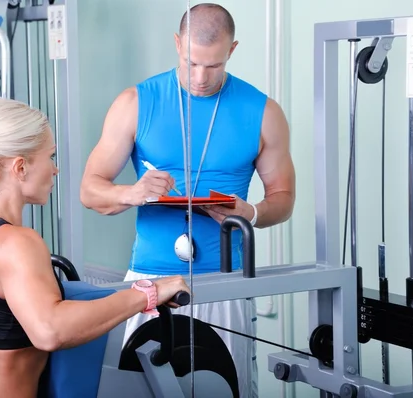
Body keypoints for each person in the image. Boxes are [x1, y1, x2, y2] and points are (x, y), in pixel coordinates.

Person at [0, 96, 190, 398]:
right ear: (20, 168)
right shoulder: (17, 243)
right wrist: (147, 293)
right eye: (50, 157)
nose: (55, 170)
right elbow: (50, 331)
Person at [80, 4, 295, 398]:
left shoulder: (263, 111)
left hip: (225, 284)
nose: (200, 77)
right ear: (177, 44)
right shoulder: (135, 102)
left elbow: (283, 198)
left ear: (232, 49)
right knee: (138, 391)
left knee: (224, 391)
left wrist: (252, 212)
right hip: (148, 279)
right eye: (191, 62)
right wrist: (133, 193)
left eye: (212, 66)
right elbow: (90, 190)